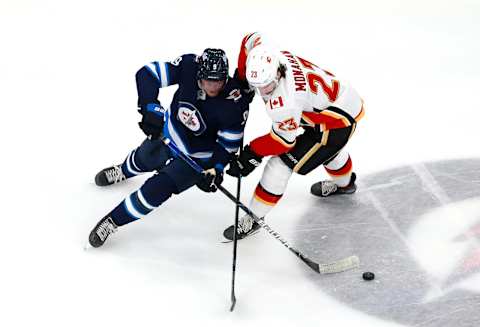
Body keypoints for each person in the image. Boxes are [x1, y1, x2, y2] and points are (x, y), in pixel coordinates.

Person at [88, 48, 252, 248]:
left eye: (218, 81)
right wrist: (150, 108)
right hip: (169, 135)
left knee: (155, 191)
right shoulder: (189, 66)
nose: (213, 86)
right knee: (142, 159)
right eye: (209, 80)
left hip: (197, 159)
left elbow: (227, 145)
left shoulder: (235, 102)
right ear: (200, 73)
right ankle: (123, 171)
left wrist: (215, 169)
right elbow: (148, 73)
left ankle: (113, 220)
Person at [223, 32, 365, 240]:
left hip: (337, 122)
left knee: (280, 165)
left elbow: (282, 141)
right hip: (338, 100)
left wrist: (252, 154)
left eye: (266, 85)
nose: (263, 91)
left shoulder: (285, 102)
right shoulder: (268, 54)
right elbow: (250, 39)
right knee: (330, 153)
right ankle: (346, 184)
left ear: (277, 75)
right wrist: (244, 77)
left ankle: (254, 218)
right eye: (257, 86)